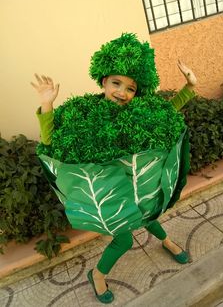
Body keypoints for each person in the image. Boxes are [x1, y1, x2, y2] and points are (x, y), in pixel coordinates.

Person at [31, 33, 197, 304]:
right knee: (124, 240)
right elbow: (51, 143)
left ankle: (165, 241)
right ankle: (96, 274)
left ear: (137, 91)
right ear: (104, 81)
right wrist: (47, 104)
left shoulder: (137, 111)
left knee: (149, 214)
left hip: (135, 183)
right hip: (110, 192)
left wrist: (189, 86)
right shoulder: (84, 111)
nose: (122, 92)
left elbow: (166, 113)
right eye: (116, 83)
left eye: (130, 88)